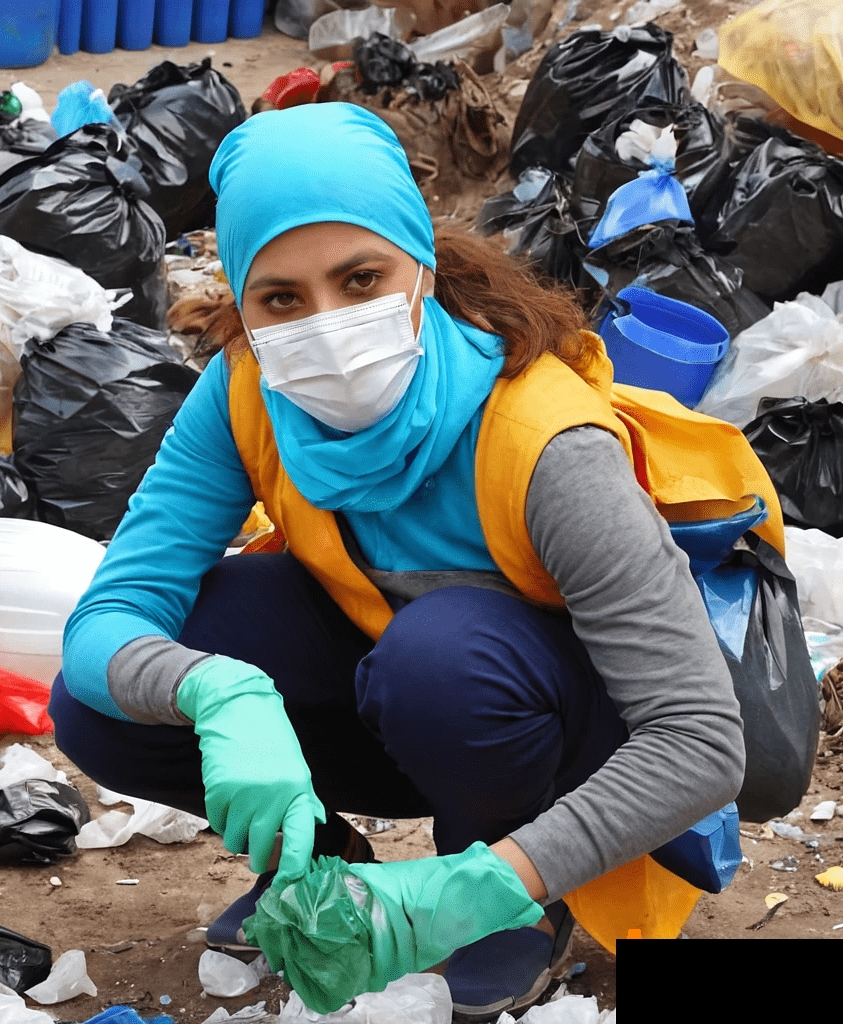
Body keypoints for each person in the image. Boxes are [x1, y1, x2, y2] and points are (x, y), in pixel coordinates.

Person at [52, 103, 780, 1020]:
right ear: (242, 302)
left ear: (421, 268)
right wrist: (218, 693)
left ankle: (507, 906)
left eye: (361, 278)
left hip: (555, 733)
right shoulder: (245, 392)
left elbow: (703, 744)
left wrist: (481, 885)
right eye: (280, 297)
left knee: (444, 656)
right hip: (391, 690)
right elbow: (107, 618)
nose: (326, 323)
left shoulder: (545, 441)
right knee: (106, 695)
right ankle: (319, 877)